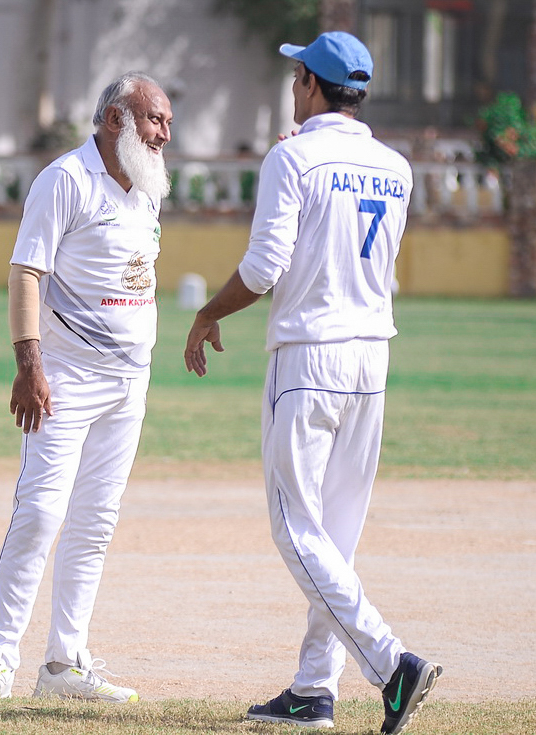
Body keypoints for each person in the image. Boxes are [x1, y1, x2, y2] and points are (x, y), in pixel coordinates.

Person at [183, 32, 441, 735]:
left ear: (308, 84)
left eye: (296, 74)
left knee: (296, 530)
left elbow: (265, 268)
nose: (292, 84)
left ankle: (392, 664)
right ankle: (313, 691)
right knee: (334, 538)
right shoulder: (396, 167)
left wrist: (207, 313)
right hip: (372, 359)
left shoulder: (292, 156)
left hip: (309, 358)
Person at [0, 72, 173, 704]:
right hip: (65, 379)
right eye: (154, 120)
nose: (163, 134)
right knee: (41, 512)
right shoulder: (66, 180)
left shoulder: (146, 190)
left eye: (167, 123)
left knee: (96, 520)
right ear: (116, 119)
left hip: (129, 383)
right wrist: (30, 365)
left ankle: (64, 663)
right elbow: (26, 272)